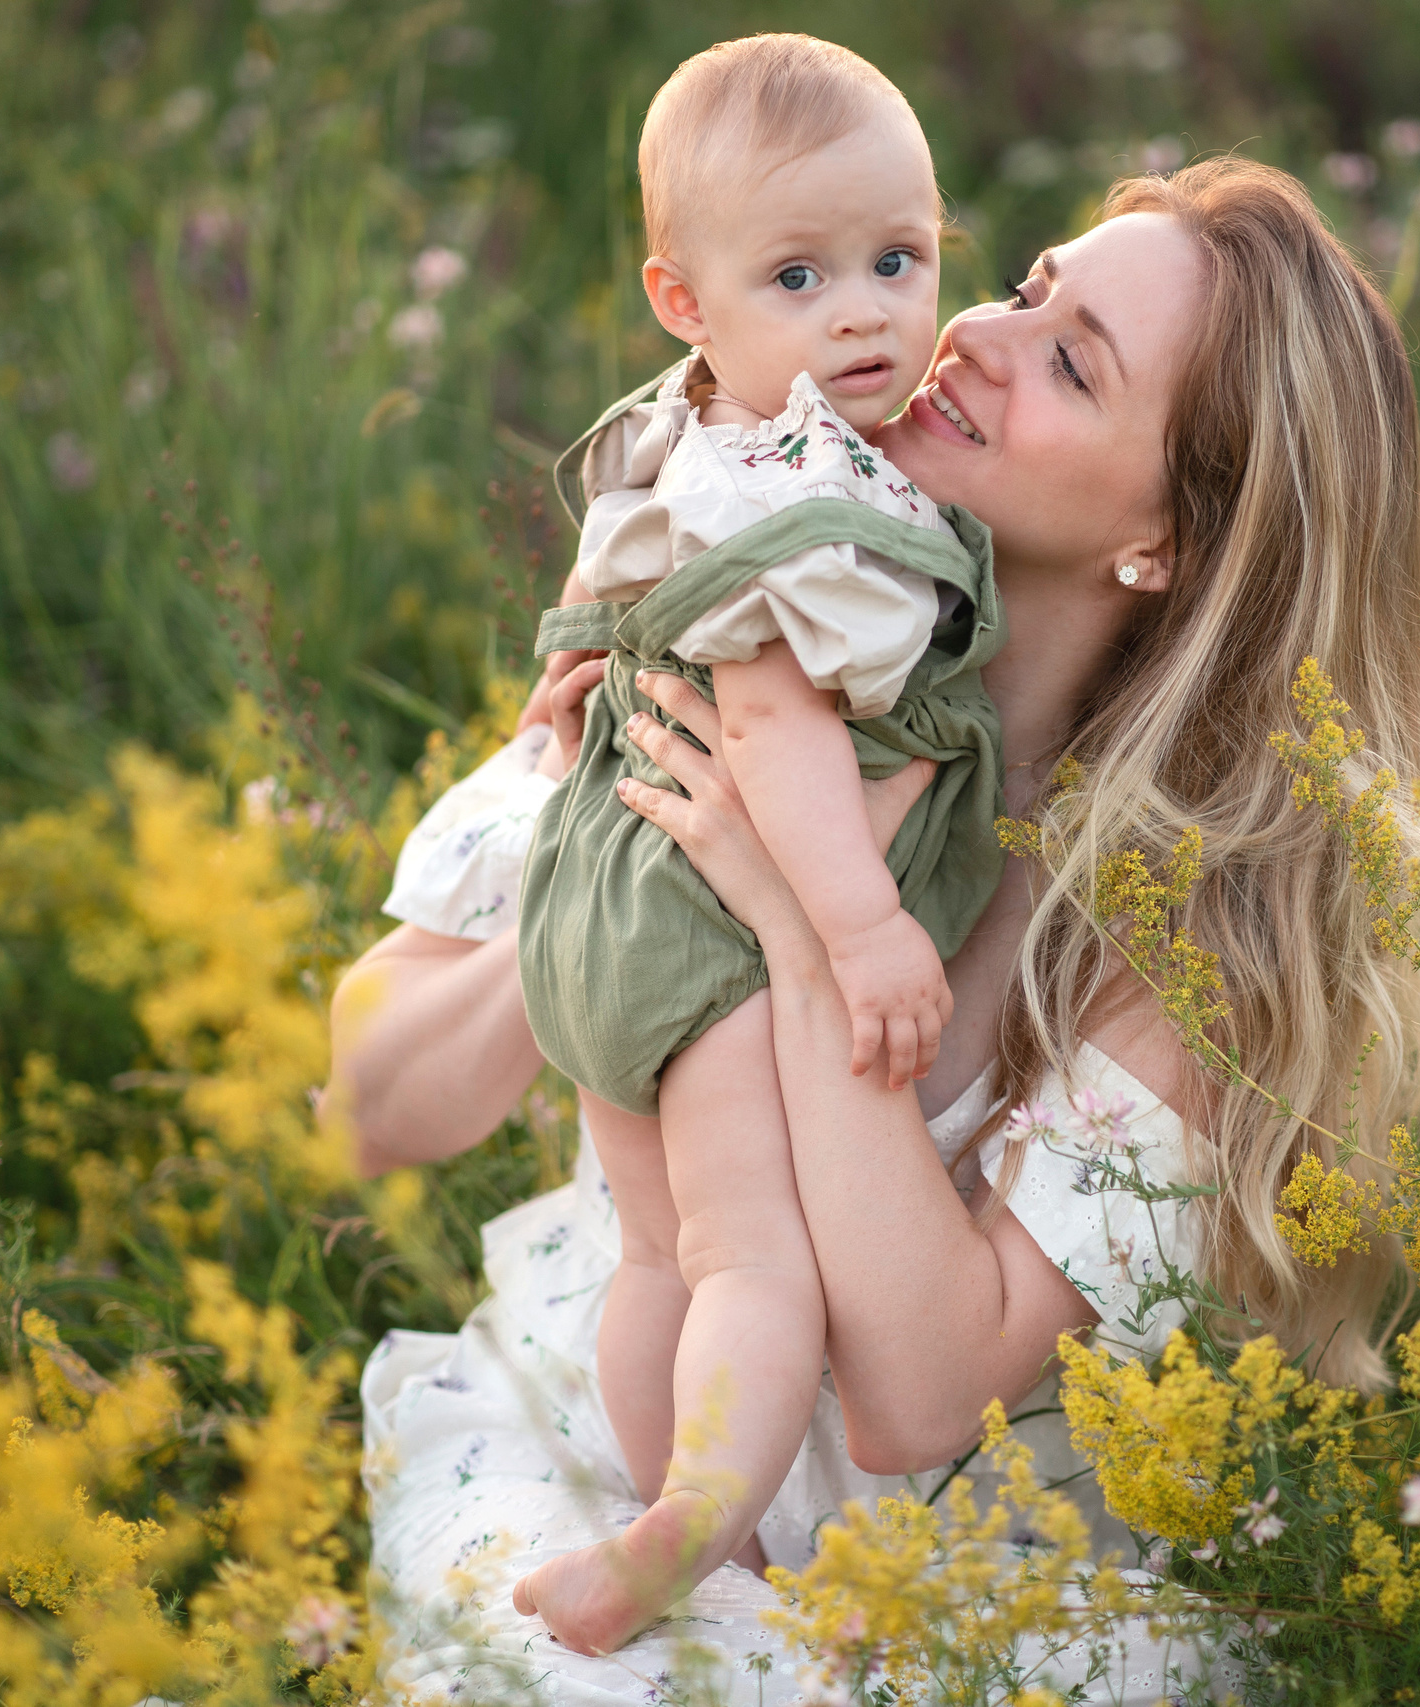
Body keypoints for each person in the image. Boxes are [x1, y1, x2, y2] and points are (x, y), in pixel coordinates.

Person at [336, 156, 1420, 1704]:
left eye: (1071, 361)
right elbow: (376, 1109)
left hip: (949, 1577)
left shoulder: (1204, 926)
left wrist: (805, 930)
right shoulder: (723, 610)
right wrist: (619, 867)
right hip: (605, 1446)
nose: (982, 332)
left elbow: (919, 1397)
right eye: (1028, 286)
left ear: (1171, 539)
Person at [507, 34, 1010, 1653]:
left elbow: (593, 614)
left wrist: (543, 712)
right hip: (711, 919)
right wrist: (862, 930)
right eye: (799, 275)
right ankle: (696, 1519)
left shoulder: (680, 433)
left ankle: (668, 1521)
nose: (864, 311)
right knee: (750, 1258)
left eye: (898, 259)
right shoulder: (809, 492)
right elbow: (784, 725)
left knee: (658, 1244)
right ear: (682, 298)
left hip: (592, 903)